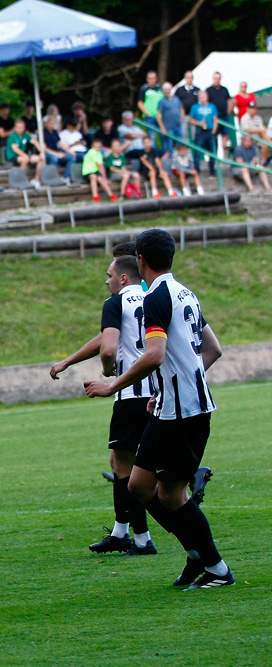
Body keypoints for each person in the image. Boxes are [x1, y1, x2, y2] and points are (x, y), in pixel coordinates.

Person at [84, 229, 233, 591]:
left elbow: (154, 355)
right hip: (171, 406)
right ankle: (198, 557)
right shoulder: (186, 293)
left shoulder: (156, 297)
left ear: (141, 261)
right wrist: (172, 386)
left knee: (170, 494)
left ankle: (215, 567)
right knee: (139, 485)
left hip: (185, 414)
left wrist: (111, 386)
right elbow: (211, 349)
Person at [50, 252, 157, 556]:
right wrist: (70, 361)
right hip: (156, 393)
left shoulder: (116, 303)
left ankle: (141, 539)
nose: (107, 281)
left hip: (129, 394)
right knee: (129, 462)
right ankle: (123, 532)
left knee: (127, 470)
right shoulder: (154, 297)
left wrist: (109, 369)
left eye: (109, 275)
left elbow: (108, 345)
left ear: (123, 276)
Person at [4, 118, 43, 186]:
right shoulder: (12, 136)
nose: (20, 129)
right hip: (13, 156)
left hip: (24, 155)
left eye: (21, 127)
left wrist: (41, 151)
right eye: (18, 127)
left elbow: (35, 142)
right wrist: (24, 155)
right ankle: (21, 180)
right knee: (25, 159)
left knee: (40, 159)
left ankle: (36, 180)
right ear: (15, 128)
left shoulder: (26, 135)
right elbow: (15, 149)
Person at [189, 90, 219, 176]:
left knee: (212, 152)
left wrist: (214, 130)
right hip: (200, 131)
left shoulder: (212, 106)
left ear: (207, 97)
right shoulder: (195, 107)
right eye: (200, 97)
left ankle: (212, 171)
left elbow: (215, 118)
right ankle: (197, 170)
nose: (202, 99)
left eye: (204, 97)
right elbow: (191, 120)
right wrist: (199, 123)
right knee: (198, 152)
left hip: (210, 131)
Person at [82, 137, 116, 202]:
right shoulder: (92, 152)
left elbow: (101, 167)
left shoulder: (99, 153)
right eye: (96, 147)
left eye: (99, 147)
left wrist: (104, 178)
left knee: (100, 178)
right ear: (92, 146)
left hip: (95, 172)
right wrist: (105, 178)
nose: (98, 148)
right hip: (88, 173)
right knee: (93, 177)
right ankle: (95, 196)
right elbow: (100, 166)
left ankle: (111, 195)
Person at [205, 72, 232, 153]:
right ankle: (214, 156)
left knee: (225, 136)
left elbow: (229, 101)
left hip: (224, 116)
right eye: (215, 78)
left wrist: (228, 111)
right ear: (213, 79)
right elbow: (206, 103)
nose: (217, 80)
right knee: (214, 137)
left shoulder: (225, 89)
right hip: (213, 118)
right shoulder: (208, 90)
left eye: (218, 78)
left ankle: (225, 157)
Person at [156, 82, 185, 156]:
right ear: (163, 90)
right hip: (168, 128)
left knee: (181, 145)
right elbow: (158, 115)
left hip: (178, 126)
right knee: (169, 148)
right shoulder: (162, 101)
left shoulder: (176, 99)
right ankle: (170, 164)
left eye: (168, 89)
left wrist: (182, 118)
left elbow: (181, 109)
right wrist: (162, 127)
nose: (167, 91)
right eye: (165, 89)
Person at [137, 70, 162, 144]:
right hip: (149, 117)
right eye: (150, 78)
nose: (152, 80)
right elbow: (140, 103)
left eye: (154, 78)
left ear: (156, 79)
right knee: (152, 136)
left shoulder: (160, 88)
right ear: (147, 79)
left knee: (163, 136)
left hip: (160, 116)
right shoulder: (144, 88)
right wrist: (146, 113)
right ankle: (152, 154)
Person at [174, 70, 200, 139]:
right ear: (185, 78)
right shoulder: (179, 90)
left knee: (193, 135)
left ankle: (190, 149)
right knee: (183, 134)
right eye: (188, 77)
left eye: (191, 77)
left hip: (193, 117)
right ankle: (183, 149)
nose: (189, 79)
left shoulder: (197, 90)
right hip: (183, 116)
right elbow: (175, 102)